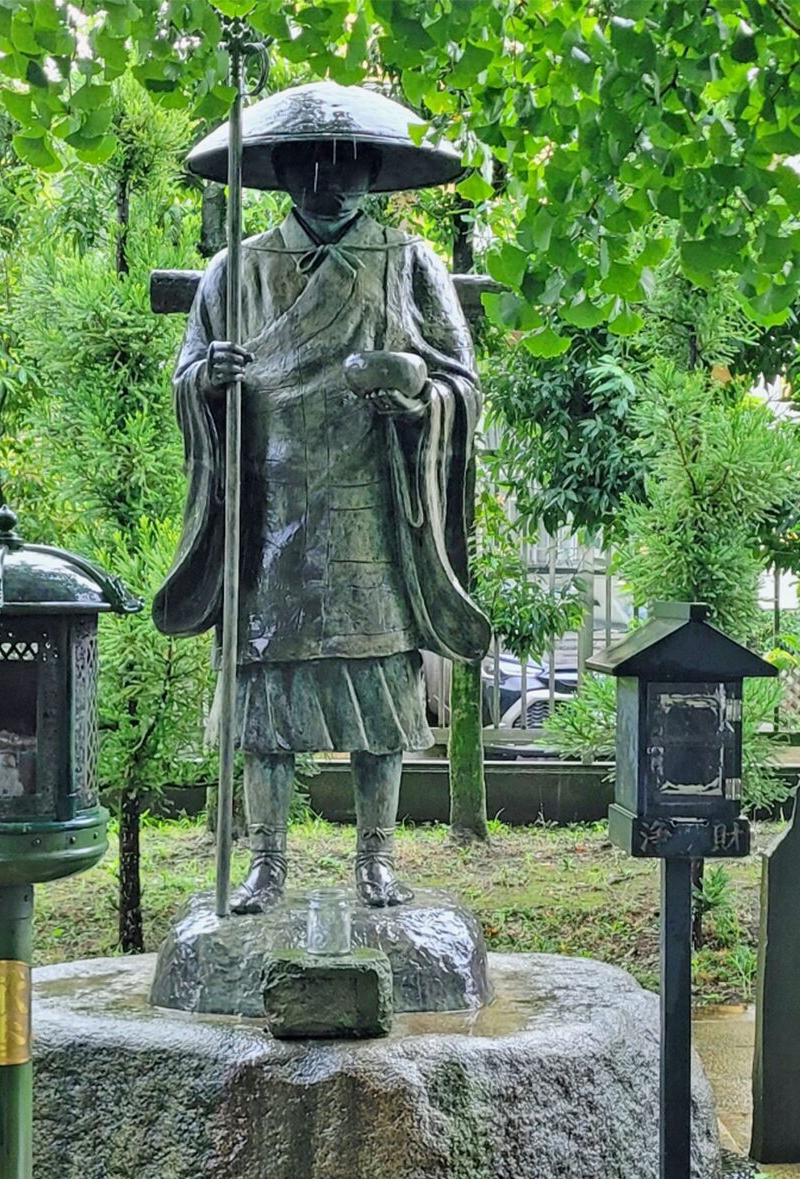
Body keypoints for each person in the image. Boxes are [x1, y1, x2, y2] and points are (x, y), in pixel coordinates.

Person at [155, 82, 490, 912]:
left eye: (345, 166)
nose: (326, 183)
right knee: (264, 704)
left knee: (378, 696)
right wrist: (207, 381)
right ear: (278, 171)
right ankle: (266, 861)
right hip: (272, 513)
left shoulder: (408, 263)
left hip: (369, 507)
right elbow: (188, 372)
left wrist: (420, 396)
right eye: (307, 165)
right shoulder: (236, 268)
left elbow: (461, 382)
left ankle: (376, 858)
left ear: (375, 172)